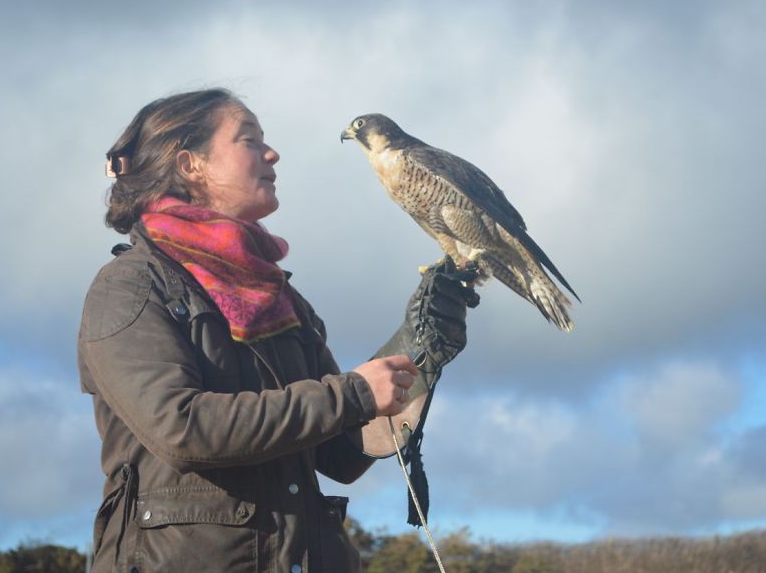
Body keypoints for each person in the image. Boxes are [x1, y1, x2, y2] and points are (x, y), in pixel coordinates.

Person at [78, 88, 475, 573]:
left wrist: (420, 352)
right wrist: (353, 393)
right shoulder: (132, 286)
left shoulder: (279, 298)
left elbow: (342, 453)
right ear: (190, 165)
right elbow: (182, 428)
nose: (272, 153)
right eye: (249, 140)